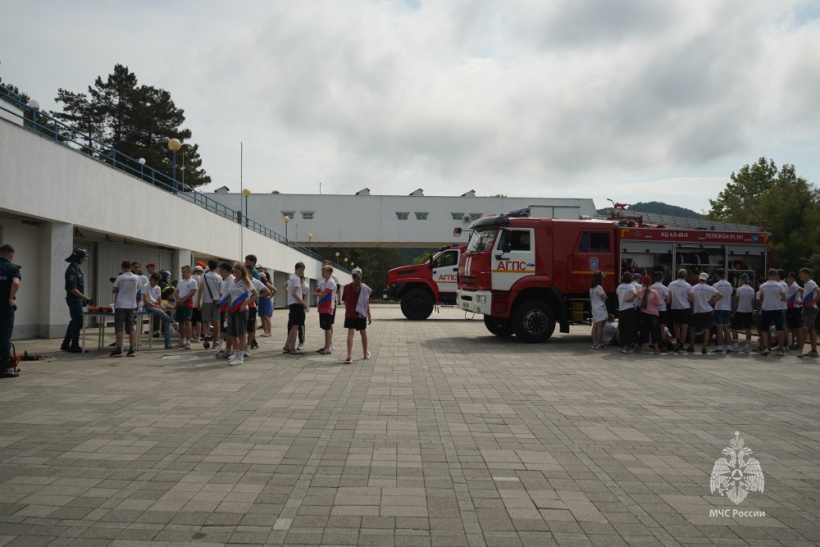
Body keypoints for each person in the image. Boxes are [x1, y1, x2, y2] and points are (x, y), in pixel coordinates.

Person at [226, 263, 258, 366]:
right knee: (232, 333)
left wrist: (245, 304)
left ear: (243, 272)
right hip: (232, 310)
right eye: (235, 272)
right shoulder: (232, 281)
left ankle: (240, 357)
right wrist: (227, 309)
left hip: (242, 311)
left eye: (238, 273)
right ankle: (236, 353)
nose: (236, 274)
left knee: (241, 334)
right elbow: (231, 296)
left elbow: (255, 295)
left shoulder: (246, 281)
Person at [62, 248, 90, 353]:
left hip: (77, 299)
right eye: (83, 258)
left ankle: (65, 344)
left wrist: (82, 298)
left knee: (74, 321)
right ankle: (75, 345)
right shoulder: (71, 271)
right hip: (73, 299)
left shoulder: (77, 268)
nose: (84, 260)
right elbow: (72, 288)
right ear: (77, 258)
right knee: (78, 321)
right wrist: (84, 297)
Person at [342, 267, 372, 363]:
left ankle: (349, 356)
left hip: (350, 314)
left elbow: (345, 303)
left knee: (350, 334)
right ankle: (365, 353)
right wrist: (369, 316)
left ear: (352, 276)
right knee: (363, 333)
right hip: (361, 315)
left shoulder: (346, 287)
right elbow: (366, 304)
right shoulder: (364, 288)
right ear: (361, 276)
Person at [0, 244, 21, 378]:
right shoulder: (12, 268)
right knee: (4, 336)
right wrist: (10, 298)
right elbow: (16, 283)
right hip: (4, 307)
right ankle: (4, 368)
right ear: (11, 255)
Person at [111, 260, 139, 357]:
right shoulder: (136, 278)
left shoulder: (120, 278)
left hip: (120, 305)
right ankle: (131, 348)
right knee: (131, 327)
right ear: (131, 268)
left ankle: (119, 349)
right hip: (131, 305)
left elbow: (113, 290)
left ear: (122, 268)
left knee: (119, 327)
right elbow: (138, 288)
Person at [689, 272, 721, 354]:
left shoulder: (693, 288)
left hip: (697, 310)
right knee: (707, 329)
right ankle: (704, 348)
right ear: (706, 279)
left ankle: (691, 346)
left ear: (699, 278)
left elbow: (691, 299)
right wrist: (713, 301)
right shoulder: (710, 288)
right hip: (707, 310)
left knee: (693, 329)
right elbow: (720, 295)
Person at [758, 268, 786, 356]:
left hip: (766, 308)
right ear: (775, 275)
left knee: (764, 329)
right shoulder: (779, 285)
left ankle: (766, 347)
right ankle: (781, 348)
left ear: (767, 275)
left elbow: (761, 298)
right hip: (777, 309)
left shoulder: (762, 286)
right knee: (780, 329)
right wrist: (777, 299)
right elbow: (784, 298)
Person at [143, 272, 175, 349]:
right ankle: (174, 322)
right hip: (148, 306)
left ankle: (167, 344)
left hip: (156, 305)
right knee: (161, 312)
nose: (155, 283)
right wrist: (159, 306)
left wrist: (161, 305)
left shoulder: (158, 288)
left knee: (166, 320)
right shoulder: (145, 286)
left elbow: (160, 300)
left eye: (157, 282)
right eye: (154, 281)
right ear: (151, 279)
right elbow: (146, 301)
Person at [244, 264, 270, 357]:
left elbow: (268, 291)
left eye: (245, 271)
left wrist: (257, 296)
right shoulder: (241, 281)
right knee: (242, 329)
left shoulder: (256, 282)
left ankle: (248, 347)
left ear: (250, 272)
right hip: (241, 308)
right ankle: (241, 348)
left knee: (251, 329)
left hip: (251, 307)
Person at [284, 262, 308, 354]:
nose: (301, 272)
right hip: (297, 305)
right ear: (296, 269)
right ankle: (292, 348)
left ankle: (287, 346)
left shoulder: (291, 278)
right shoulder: (297, 279)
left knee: (293, 326)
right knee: (295, 327)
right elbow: (294, 293)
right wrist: (303, 302)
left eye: (302, 270)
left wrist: (289, 293)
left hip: (292, 304)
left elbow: (284, 287)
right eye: (300, 270)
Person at [668, 269, 694, 353]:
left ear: (677, 274)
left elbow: (669, 295)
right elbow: (691, 299)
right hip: (685, 307)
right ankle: (682, 343)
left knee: (675, 324)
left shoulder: (672, 284)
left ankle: (678, 339)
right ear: (685, 275)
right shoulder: (688, 285)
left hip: (674, 307)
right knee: (684, 326)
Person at [635, 275, 661, 354]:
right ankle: (656, 348)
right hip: (654, 314)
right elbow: (658, 303)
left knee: (644, 330)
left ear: (642, 282)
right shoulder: (654, 292)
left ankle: (645, 347)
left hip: (644, 314)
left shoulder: (639, 292)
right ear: (650, 282)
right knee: (655, 331)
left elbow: (639, 304)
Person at [200, 259, 222, 349]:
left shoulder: (204, 276)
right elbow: (221, 292)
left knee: (205, 320)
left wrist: (198, 302)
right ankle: (214, 342)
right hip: (216, 301)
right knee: (216, 321)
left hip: (206, 301)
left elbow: (201, 289)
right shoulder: (219, 277)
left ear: (208, 265)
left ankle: (206, 335)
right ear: (216, 267)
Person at [797, 268, 819, 358]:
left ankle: (800, 351)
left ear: (807, 274)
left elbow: (819, 292)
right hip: (807, 309)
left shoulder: (811, 283)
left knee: (805, 329)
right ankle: (814, 351)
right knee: (811, 329)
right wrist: (803, 302)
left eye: (801, 274)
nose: (800, 276)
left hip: (811, 309)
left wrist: (812, 303)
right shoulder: (806, 284)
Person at [315, 265, 337, 354]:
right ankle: (326, 345)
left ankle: (328, 347)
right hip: (322, 306)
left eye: (324, 272)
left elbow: (323, 294)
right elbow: (318, 291)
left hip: (328, 307)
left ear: (329, 273)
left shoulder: (331, 282)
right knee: (325, 327)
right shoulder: (323, 282)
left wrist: (317, 294)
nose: (322, 274)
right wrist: (318, 293)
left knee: (328, 327)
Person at [214, 262, 235, 359]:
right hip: (223, 307)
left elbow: (230, 296)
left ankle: (229, 350)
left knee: (228, 330)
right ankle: (221, 348)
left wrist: (227, 309)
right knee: (223, 329)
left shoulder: (231, 280)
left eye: (221, 270)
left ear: (225, 270)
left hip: (228, 308)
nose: (220, 272)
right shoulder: (225, 280)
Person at [730, 273, 755, 354]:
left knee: (734, 328)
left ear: (742, 280)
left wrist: (734, 310)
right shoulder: (752, 289)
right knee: (748, 328)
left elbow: (737, 300)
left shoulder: (739, 289)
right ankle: (747, 345)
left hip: (740, 310)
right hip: (748, 311)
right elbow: (751, 300)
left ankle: (736, 345)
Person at [174, 265, 197, 349]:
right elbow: (176, 292)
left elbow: (192, 293)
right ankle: (182, 340)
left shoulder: (193, 281)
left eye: (184, 272)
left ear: (189, 272)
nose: (182, 273)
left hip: (188, 304)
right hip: (180, 304)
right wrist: (179, 300)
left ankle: (188, 341)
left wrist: (183, 301)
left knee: (187, 322)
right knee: (180, 322)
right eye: (182, 272)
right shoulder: (180, 282)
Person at [711, 268, 733, 354]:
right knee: (726, 328)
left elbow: (713, 296)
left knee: (719, 329)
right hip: (727, 308)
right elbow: (730, 294)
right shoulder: (729, 284)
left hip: (719, 308)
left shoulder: (716, 285)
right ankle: (729, 347)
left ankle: (719, 347)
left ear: (717, 275)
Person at [616, 272, 637, 354]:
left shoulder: (619, 287)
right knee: (629, 327)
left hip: (621, 309)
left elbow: (618, 296)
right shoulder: (631, 286)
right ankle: (627, 345)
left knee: (622, 327)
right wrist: (631, 299)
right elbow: (635, 294)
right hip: (629, 308)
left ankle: (622, 344)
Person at [322, 260, 341, 351]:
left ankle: (329, 344)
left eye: (325, 267)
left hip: (330, 303)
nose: (323, 269)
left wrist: (334, 298)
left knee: (329, 324)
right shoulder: (321, 278)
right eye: (322, 267)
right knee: (325, 325)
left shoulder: (334, 278)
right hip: (323, 304)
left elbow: (337, 289)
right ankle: (326, 344)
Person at [650, 273, 670, 350]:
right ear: (662, 279)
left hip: (653, 310)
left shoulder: (651, 287)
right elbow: (668, 300)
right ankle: (662, 344)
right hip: (662, 309)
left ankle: (654, 343)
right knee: (662, 328)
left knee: (654, 328)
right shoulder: (664, 288)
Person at [589, 271, 608, 349]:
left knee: (595, 326)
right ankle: (599, 343)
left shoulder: (591, 288)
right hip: (600, 308)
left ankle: (594, 343)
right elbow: (604, 297)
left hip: (594, 308)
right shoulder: (599, 287)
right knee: (600, 327)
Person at [785, 271, 803, 349]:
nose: (789, 279)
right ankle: (793, 342)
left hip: (794, 308)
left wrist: (801, 299)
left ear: (793, 278)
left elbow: (803, 290)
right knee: (792, 327)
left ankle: (799, 343)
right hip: (790, 307)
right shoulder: (789, 286)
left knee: (797, 327)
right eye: (788, 278)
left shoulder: (794, 285)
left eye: (790, 278)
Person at [257, 271, 276, 337]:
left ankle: (269, 332)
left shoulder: (266, 284)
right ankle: (265, 331)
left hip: (266, 301)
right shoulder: (259, 284)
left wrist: (270, 297)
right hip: (261, 301)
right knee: (262, 316)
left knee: (266, 316)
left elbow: (275, 290)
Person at [191, 264, 205, 343]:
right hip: (199, 302)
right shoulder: (201, 279)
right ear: (200, 272)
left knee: (192, 321)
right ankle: (198, 336)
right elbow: (201, 291)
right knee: (199, 320)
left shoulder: (191, 278)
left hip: (191, 302)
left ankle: (192, 336)